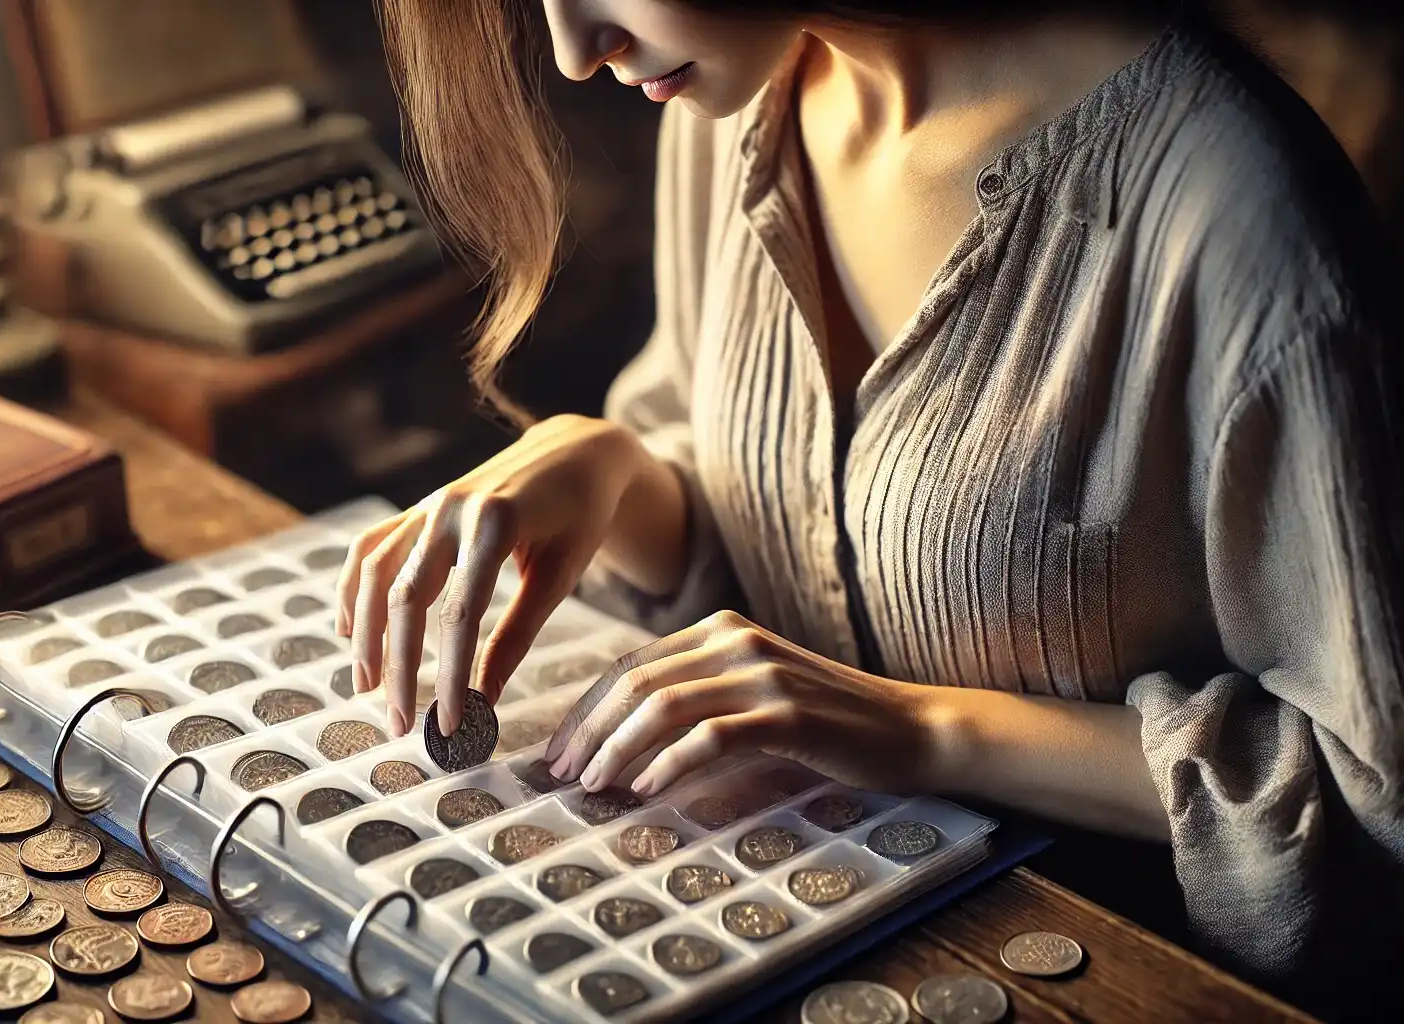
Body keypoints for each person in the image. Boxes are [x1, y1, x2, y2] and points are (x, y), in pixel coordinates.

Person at [339, 0, 1404, 1013]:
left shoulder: (1233, 205)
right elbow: (802, 529)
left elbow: (1372, 808)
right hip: (773, 917)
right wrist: (609, 466)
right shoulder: (732, 94)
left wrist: (920, 731)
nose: (575, 51)